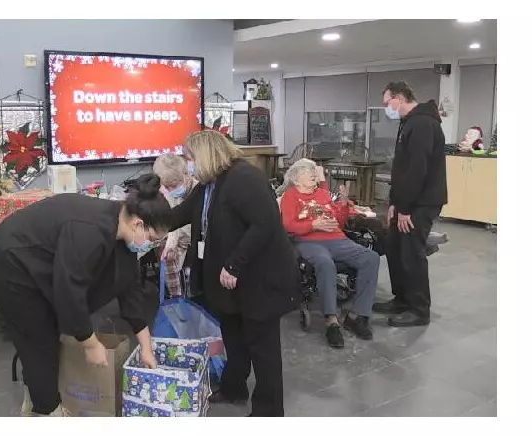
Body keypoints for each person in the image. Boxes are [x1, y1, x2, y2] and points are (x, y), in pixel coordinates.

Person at [0, 174, 170, 417]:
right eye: (153, 239)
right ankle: (47, 411)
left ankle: (36, 397)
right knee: (39, 339)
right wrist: (89, 343)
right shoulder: (90, 231)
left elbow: (131, 293)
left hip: (38, 263)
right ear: (138, 225)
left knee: (47, 335)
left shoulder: (120, 230)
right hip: (9, 262)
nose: (151, 246)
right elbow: (69, 290)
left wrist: (146, 348)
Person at [167, 130, 300, 417]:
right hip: (228, 284)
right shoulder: (208, 184)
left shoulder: (244, 178)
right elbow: (178, 216)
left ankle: (269, 411)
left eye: (189, 158)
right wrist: (141, 217)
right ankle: (233, 387)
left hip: (258, 279)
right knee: (234, 339)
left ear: (205, 155)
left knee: (262, 349)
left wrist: (234, 264)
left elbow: (264, 225)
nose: (187, 164)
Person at [279, 158, 380, 348]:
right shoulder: (290, 196)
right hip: (307, 240)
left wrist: (342, 203)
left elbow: (340, 222)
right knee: (325, 263)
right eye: (306, 171)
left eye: (312, 171)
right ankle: (331, 321)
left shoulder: (324, 194)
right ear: (296, 178)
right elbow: (287, 225)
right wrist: (313, 224)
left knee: (371, 258)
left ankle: (356, 316)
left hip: (337, 239)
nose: (312, 174)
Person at [374, 81, 447, 327]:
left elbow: (418, 170)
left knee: (411, 253)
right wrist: (395, 203)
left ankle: (419, 309)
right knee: (394, 246)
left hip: (422, 202)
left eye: (387, 103)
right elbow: (402, 169)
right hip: (407, 200)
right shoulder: (409, 123)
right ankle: (402, 299)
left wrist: (406, 209)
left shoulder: (423, 123)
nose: (387, 108)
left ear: (399, 97)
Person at [152, 153, 195, 298]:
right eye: (167, 187)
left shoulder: (198, 190)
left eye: (174, 186)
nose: (171, 191)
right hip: (178, 243)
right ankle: (177, 298)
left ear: (186, 174)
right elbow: (172, 221)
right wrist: (170, 243)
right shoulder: (169, 193)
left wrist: (173, 240)